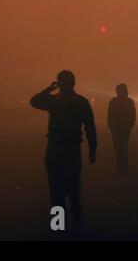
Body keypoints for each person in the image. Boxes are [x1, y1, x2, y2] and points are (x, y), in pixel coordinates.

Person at [30, 70, 97, 226]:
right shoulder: (81, 102)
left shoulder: (54, 101)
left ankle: (59, 223)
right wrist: (93, 148)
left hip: (55, 148)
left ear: (60, 84)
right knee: (73, 186)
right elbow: (90, 127)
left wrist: (49, 88)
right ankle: (77, 220)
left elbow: (34, 101)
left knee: (56, 188)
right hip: (72, 148)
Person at [108, 84, 136, 174]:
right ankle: (123, 165)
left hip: (116, 127)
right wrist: (131, 124)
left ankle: (120, 165)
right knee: (123, 145)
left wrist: (110, 125)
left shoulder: (113, 101)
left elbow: (109, 115)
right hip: (124, 127)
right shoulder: (129, 101)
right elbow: (133, 115)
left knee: (117, 146)